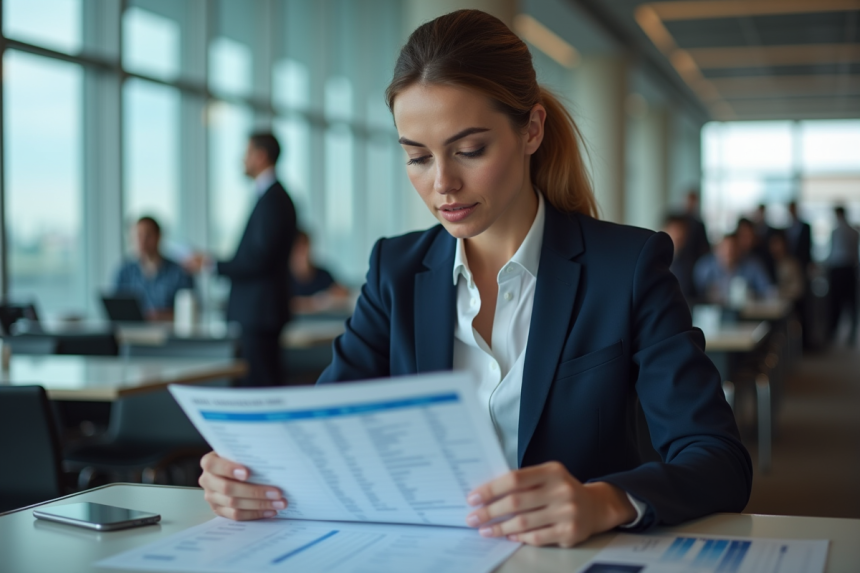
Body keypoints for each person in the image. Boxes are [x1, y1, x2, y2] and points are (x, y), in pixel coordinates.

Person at [197, 10, 751, 548]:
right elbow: (324, 435)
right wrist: (251, 474)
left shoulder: (626, 267)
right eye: (417, 157)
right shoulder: (396, 271)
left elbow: (717, 458)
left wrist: (605, 501)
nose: (443, 184)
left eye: (469, 150)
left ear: (531, 129)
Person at [186, 133, 297, 386]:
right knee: (261, 381)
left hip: (260, 311)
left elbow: (259, 259)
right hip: (260, 310)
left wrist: (210, 263)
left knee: (262, 386)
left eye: (246, 154)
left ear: (260, 156)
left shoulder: (273, 200)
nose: (242, 160)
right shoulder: (270, 197)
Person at [114, 216, 194, 321]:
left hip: (168, 333)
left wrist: (160, 316)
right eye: (138, 236)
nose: (142, 241)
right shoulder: (124, 272)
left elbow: (189, 312)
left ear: (158, 236)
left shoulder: (179, 273)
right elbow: (116, 308)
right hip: (131, 332)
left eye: (148, 235)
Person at [694, 233, 773, 304]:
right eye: (724, 248)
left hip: (747, 312)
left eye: (732, 248)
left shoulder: (753, 265)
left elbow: (767, 290)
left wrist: (752, 295)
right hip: (712, 312)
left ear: (739, 250)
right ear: (716, 250)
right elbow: (697, 293)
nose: (728, 252)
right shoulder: (704, 266)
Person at [289, 230, 350, 314]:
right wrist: (318, 301)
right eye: (297, 248)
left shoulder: (323, 275)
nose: (301, 252)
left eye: (304, 246)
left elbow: (343, 293)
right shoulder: (282, 278)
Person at [827, 206, 859, 344]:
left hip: (838, 269)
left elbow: (831, 252)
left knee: (836, 302)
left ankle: (834, 332)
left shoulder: (835, 231)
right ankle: (851, 333)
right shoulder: (854, 231)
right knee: (851, 304)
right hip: (850, 269)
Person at [662, 213, 696, 301]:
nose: (679, 235)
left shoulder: (691, 262)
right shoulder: (654, 259)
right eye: (675, 229)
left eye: (682, 230)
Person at [768, 230, 804, 302]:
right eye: (772, 243)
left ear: (784, 243)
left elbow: (798, 289)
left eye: (777, 243)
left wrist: (780, 293)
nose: (774, 247)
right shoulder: (769, 264)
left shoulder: (792, 264)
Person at [682, 190, 711, 263]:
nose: (690, 204)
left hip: (694, 261)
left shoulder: (699, 225)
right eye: (688, 201)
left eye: (693, 201)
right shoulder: (679, 223)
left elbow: (704, 247)